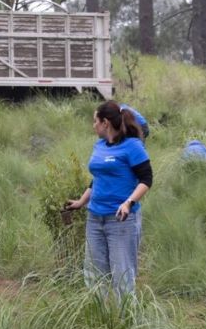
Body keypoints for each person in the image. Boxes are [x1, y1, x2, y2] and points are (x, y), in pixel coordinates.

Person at [65, 100, 153, 301]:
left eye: (95, 121)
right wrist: (81, 202)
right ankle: (100, 319)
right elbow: (97, 178)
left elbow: (146, 179)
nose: (93, 125)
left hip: (120, 220)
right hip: (95, 219)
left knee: (122, 276)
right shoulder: (100, 145)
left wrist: (128, 202)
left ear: (105, 123)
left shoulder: (133, 147)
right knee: (93, 274)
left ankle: (126, 323)